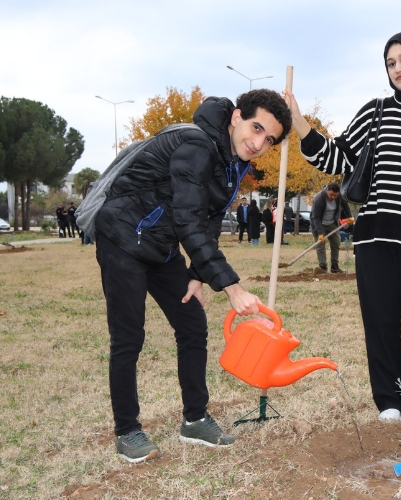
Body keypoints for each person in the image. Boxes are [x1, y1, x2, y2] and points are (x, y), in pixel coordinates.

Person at [94, 89, 292, 463]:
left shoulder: (233, 161)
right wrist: (232, 288)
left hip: (160, 245)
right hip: (122, 236)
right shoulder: (197, 145)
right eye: (255, 128)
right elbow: (188, 220)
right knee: (129, 336)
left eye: (269, 140)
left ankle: (195, 419)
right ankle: (127, 430)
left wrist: (197, 275)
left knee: (192, 325)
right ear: (236, 117)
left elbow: (209, 219)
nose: (258, 142)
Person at [285, 32, 401, 426]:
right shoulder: (376, 112)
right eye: (391, 63)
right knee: (381, 319)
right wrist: (300, 123)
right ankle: (388, 397)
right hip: (374, 237)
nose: (399, 68)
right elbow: (338, 155)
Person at [310, 183, 353, 273]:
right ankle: (322, 267)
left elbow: (345, 204)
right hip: (319, 223)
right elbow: (316, 217)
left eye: (335, 195)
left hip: (332, 223)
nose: (333, 197)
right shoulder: (319, 198)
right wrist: (320, 233)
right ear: (327, 190)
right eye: (331, 194)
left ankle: (335, 266)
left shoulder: (339, 196)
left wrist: (350, 216)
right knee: (320, 245)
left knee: (336, 242)